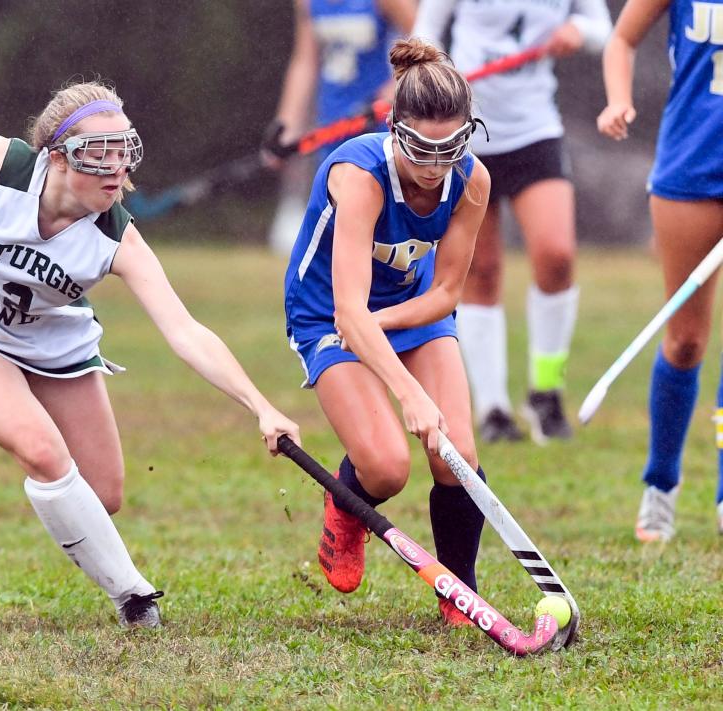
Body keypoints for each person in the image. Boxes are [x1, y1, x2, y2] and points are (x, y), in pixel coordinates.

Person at [0, 58, 301, 627]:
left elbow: (185, 331)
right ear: (59, 155)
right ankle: (134, 598)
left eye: (124, 152)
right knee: (43, 453)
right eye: (100, 153)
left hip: (55, 346)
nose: (115, 171)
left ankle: (83, 529)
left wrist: (260, 406)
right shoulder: (5, 168)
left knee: (104, 495)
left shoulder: (116, 238)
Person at [283, 37, 491, 625]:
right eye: (421, 150)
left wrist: (385, 321)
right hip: (326, 314)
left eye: (449, 148)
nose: (433, 168)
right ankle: (347, 504)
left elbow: (448, 292)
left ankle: (459, 591)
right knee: (386, 466)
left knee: (457, 456)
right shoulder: (362, 175)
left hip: (408, 309)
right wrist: (411, 394)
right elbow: (346, 312)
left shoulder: (472, 181)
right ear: (393, 129)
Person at [414, 0, 612, 444]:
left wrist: (577, 31)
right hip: (466, 135)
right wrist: (436, 82)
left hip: (535, 130)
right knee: (479, 270)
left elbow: (604, 29)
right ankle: (493, 408)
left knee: (556, 256)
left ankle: (546, 391)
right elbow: (426, 29)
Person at [597, 0, 723, 541]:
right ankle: (661, 485)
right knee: (686, 339)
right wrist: (619, 101)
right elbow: (620, 41)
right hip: (691, 164)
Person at [262, 0, 416, 255]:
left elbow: (425, 45)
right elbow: (305, 62)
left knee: (386, 224)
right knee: (342, 225)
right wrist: (285, 128)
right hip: (333, 126)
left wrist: (391, 91)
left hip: (381, 125)